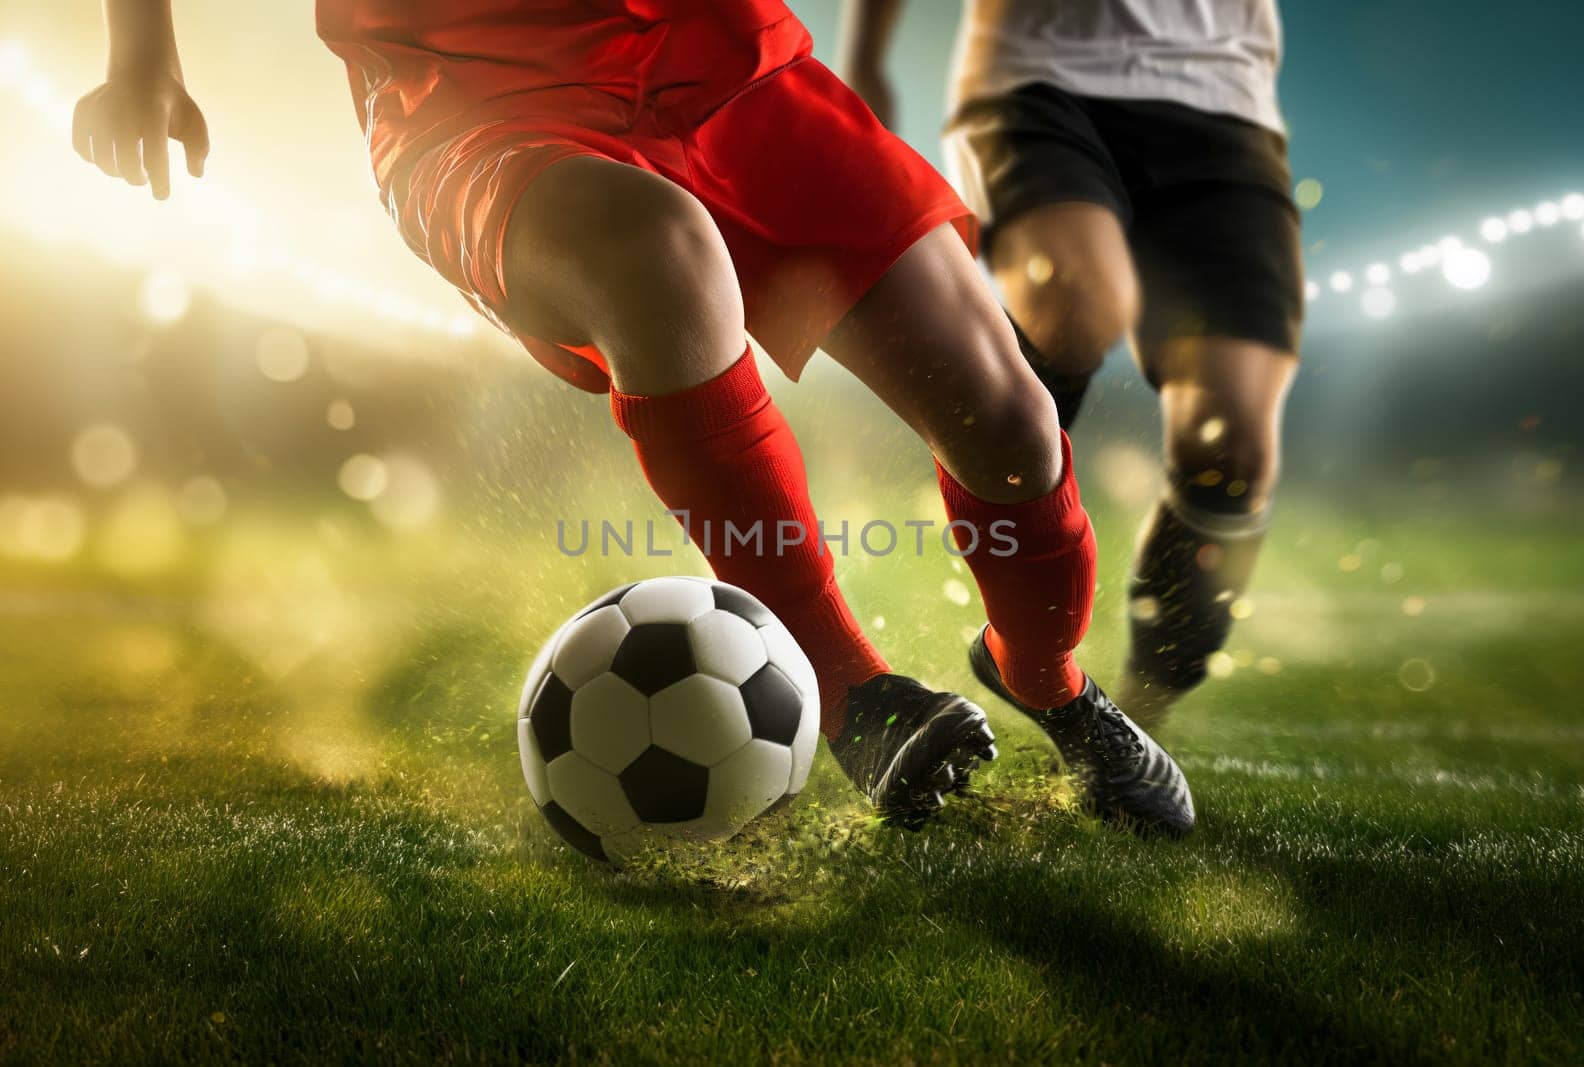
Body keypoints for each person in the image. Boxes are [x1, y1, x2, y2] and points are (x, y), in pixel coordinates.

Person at [72, 0, 1192, 834]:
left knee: (1004, 420)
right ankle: (852, 691)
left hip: (724, 59)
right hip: (477, 104)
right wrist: (141, 59)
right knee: (657, 253)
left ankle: (1046, 678)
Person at [844, 0, 1304, 730]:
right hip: (1036, 75)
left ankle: (1133, 721)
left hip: (1225, 100)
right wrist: (866, 57)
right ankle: (1020, 630)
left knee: (1232, 451)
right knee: (1075, 305)